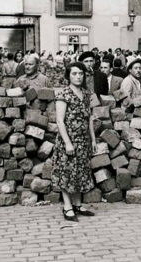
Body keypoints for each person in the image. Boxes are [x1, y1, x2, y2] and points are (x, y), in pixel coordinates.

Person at [52, 62, 97, 222]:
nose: (78, 77)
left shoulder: (86, 94)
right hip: (68, 140)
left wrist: (92, 139)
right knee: (67, 172)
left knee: (80, 172)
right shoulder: (63, 94)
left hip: (83, 140)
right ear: (68, 76)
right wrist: (67, 142)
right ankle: (67, 207)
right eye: (74, 74)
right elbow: (59, 120)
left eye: (81, 74)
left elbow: (89, 118)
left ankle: (78, 204)